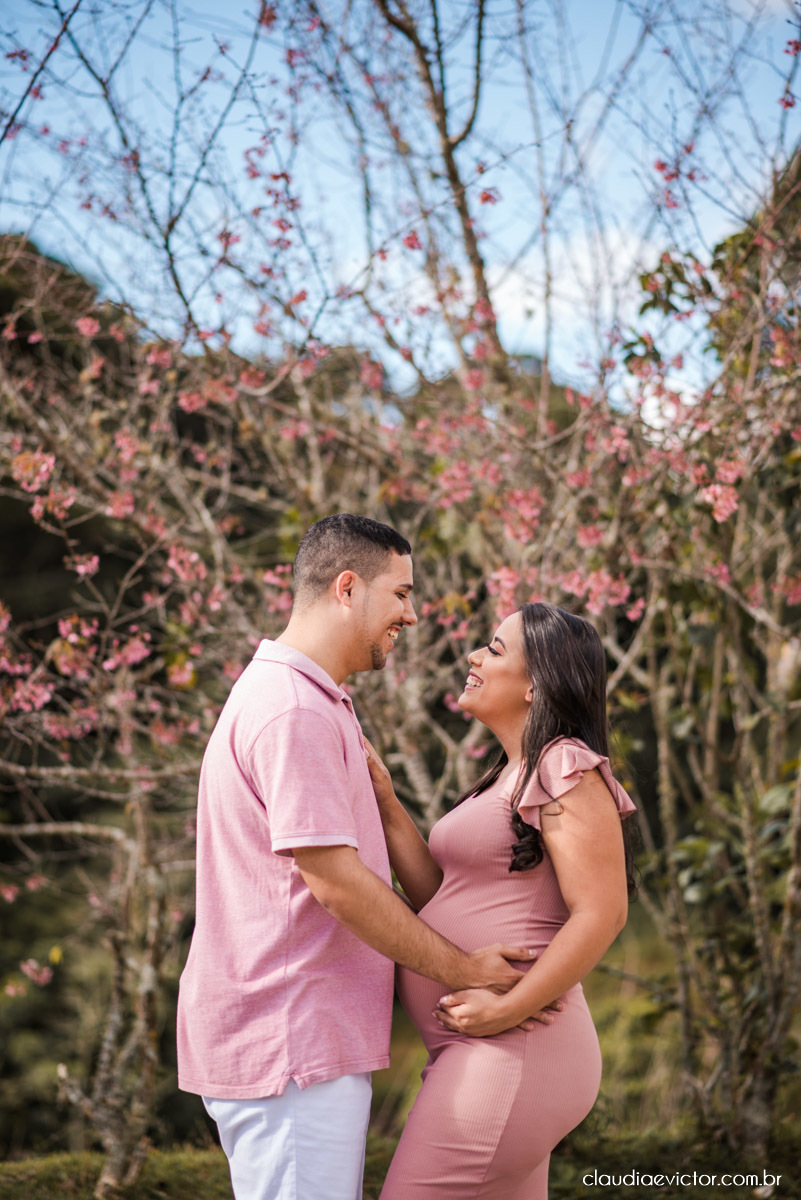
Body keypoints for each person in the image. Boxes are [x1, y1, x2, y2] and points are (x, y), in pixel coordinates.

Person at [176, 514, 553, 1200]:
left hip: (298, 1038)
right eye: (401, 594)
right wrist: (463, 968)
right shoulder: (296, 709)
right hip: (290, 1041)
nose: (410, 615)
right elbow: (336, 883)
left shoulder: (312, 700)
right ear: (348, 588)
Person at [366, 601, 638, 1200]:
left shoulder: (562, 762)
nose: (472, 656)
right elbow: (445, 897)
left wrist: (509, 1010)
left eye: (493, 648)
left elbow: (604, 911)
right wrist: (386, 802)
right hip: (487, 1046)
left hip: (515, 1047)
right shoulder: (506, 774)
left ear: (536, 683)